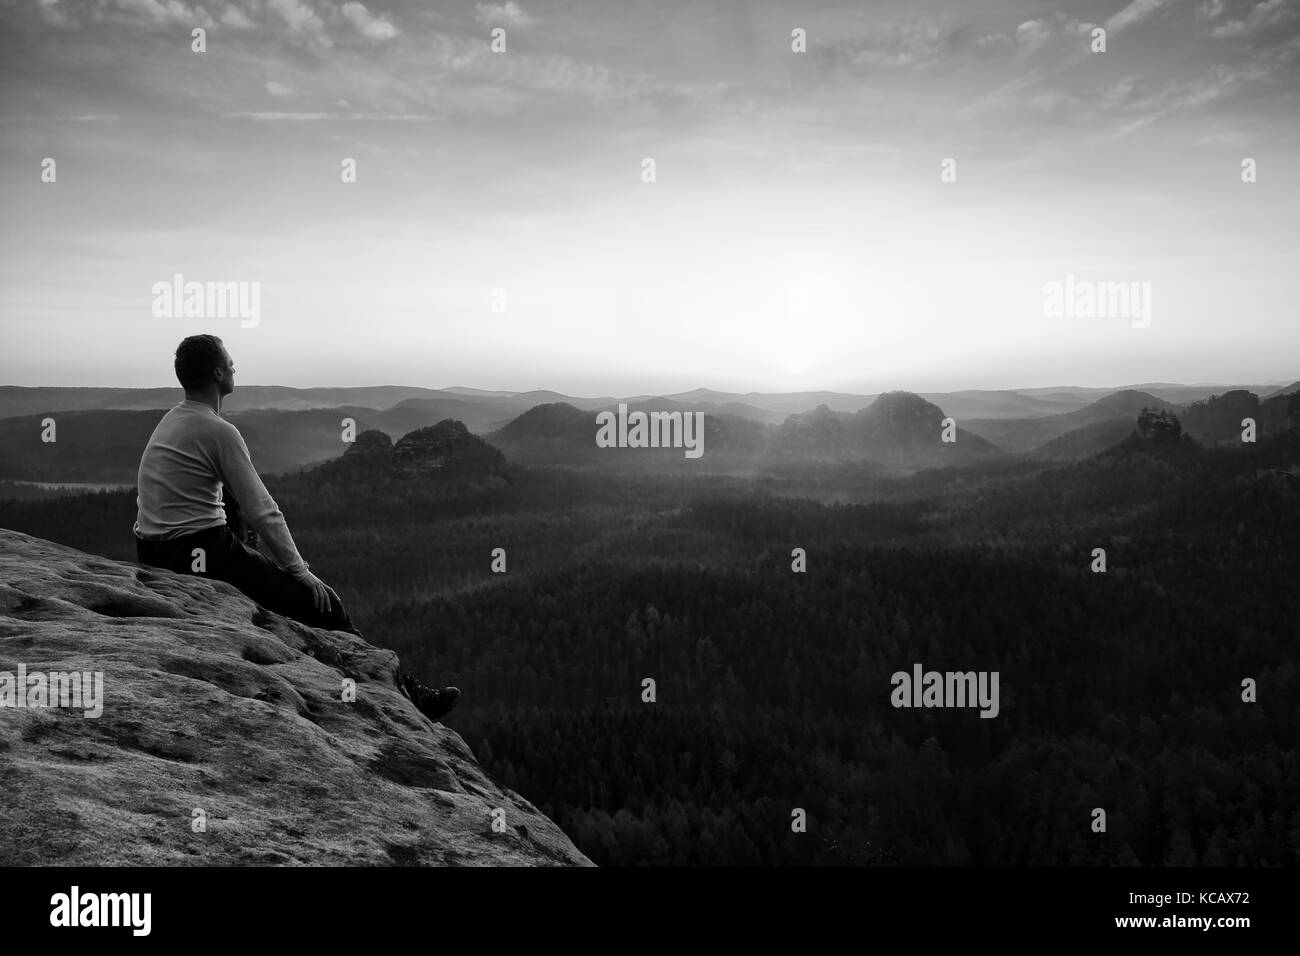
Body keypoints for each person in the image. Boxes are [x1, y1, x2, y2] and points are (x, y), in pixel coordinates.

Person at [133, 334, 459, 722]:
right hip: (197, 552)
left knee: (231, 509)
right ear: (218, 372)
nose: (235, 367)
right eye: (230, 362)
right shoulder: (219, 431)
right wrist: (300, 572)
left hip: (153, 550)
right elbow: (264, 511)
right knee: (324, 605)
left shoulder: (173, 420)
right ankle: (401, 695)